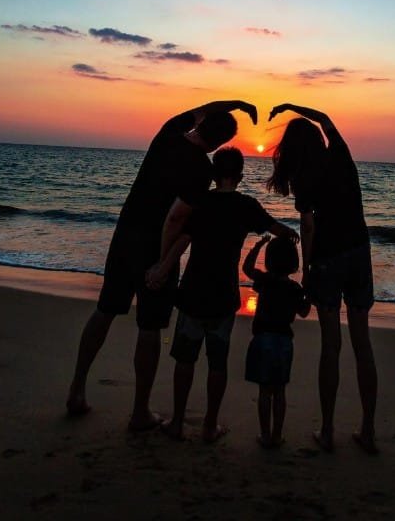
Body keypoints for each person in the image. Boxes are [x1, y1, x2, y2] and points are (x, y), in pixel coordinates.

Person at [66, 100, 257, 430]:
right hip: (156, 249)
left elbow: (203, 108)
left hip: (125, 239)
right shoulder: (201, 171)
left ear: (199, 125)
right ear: (217, 145)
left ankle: (76, 389)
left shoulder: (168, 134)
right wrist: (163, 264)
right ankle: (140, 411)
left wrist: (237, 103)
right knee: (149, 326)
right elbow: (176, 219)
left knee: (105, 309)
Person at [145, 146, 298, 442]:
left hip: (192, 292)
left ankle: (177, 422)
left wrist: (162, 268)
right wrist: (293, 236)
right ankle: (209, 425)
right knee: (217, 363)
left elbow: (183, 240)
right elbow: (275, 227)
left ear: (215, 174)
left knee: (185, 360)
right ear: (240, 177)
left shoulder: (200, 202)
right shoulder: (246, 206)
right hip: (224, 296)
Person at [266, 103, 378, 454]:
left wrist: (308, 267)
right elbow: (327, 118)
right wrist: (290, 106)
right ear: (318, 137)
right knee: (363, 346)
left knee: (331, 347)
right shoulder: (341, 155)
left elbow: (309, 226)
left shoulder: (304, 176)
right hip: (359, 254)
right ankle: (368, 430)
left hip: (328, 260)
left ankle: (328, 431)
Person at [243, 234, 310, 448]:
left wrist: (258, 244)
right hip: (283, 343)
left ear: (269, 260)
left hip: (262, 340)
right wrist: (308, 290)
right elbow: (305, 312)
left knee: (265, 391)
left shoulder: (265, 281)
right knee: (279, 391)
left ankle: (264, 435)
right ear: (293, 262)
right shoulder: (294, 289)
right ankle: (277, 435)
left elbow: (246, 268)